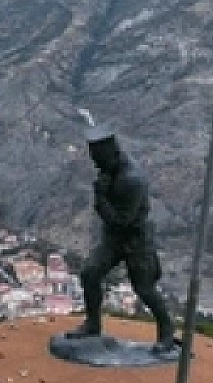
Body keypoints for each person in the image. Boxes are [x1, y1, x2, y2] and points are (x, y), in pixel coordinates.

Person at [69, 126, 177, 354]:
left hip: (136, 240)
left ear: (112, 155)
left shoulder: (131, 180)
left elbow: (120, 221)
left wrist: (99, 197)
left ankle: (167, 332)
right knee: (90, 273)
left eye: (99, 161)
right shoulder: (110, 170)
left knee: (145, 288)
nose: (96, 166)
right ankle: (92, 324)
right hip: (114, 238)